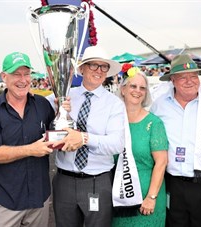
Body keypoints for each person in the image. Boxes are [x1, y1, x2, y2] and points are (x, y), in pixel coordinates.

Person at [51, 45, 126, 227]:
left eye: (103, 67)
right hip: (65, 180)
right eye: (93, 65)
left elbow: (117, 144)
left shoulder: (114, 104)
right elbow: (43, 125)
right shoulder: (63, 96)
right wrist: (56, 110)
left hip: (97, 181)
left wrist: (84, 138)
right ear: (82, 68)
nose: (99, 71)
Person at [151, 54, 201, 227]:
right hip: (174, 185)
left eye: (193, 76)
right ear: (172, 80)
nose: (190, 81)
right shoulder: (159, 106)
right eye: (183, 77)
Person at [0, 52, 55, 227]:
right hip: (4, 202)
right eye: (16, 74)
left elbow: (56, 135)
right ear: (4, 76)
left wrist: (66, 114)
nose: (23, 79)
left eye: (26, 74)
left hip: (38, 200)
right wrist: (30, 149)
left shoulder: (42, 104)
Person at [112, 67, 168, 226]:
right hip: (119, 198)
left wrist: (151, 197)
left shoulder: (154, 123)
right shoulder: (113, 121)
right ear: (123, 89)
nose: (138, 91)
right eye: (133, 86)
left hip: (146, 198)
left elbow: (161, 162)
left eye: (142, 88)